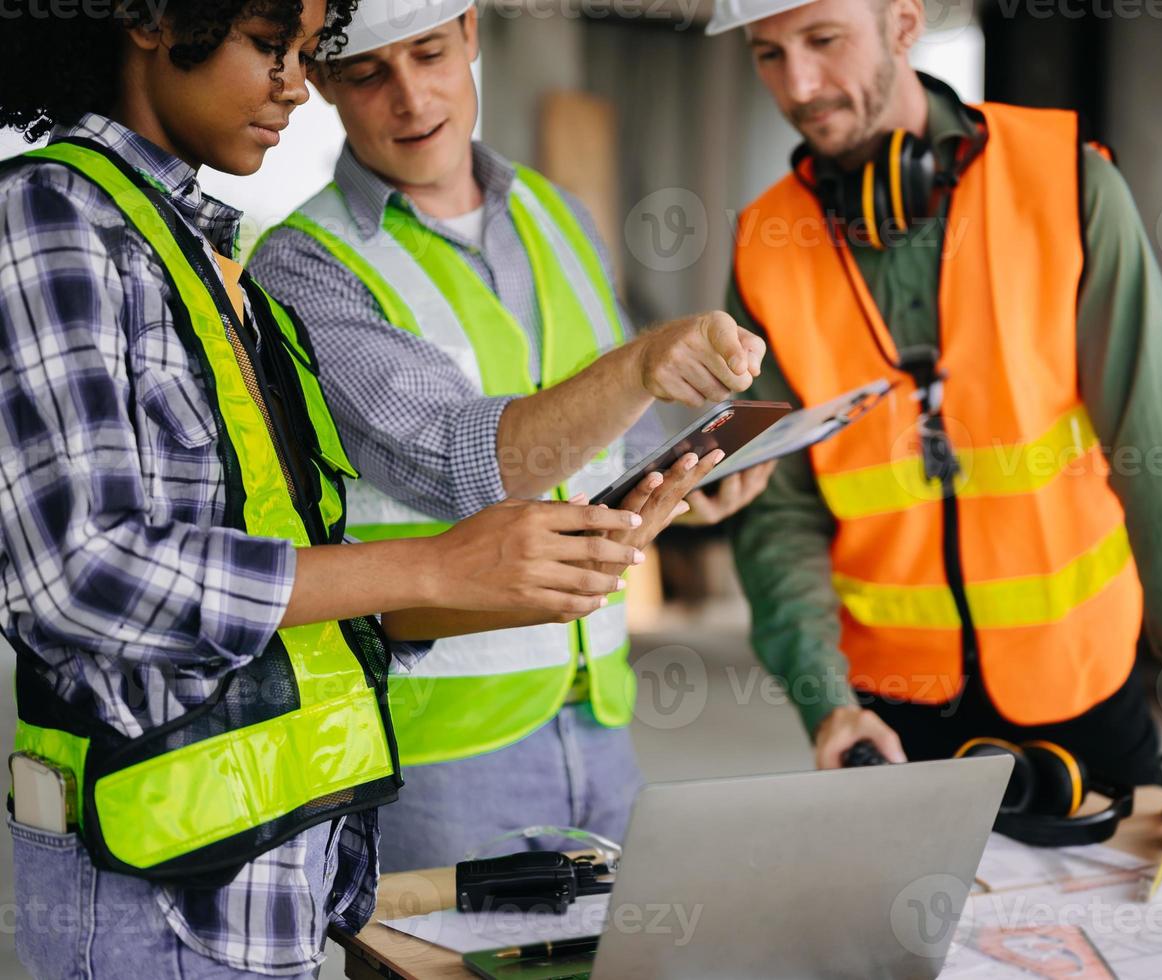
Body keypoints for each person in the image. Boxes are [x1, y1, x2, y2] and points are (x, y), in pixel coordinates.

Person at [0, 3, 705, 976]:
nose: (295, 85)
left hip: (266, 848)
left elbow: (277, 567)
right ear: (160, 19)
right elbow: (78, 571)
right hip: (158, 872)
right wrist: (438, 559)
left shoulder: (194, 246)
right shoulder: (54, 212)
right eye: (270, 48)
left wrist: (510, 569)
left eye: (301, 55)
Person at [717, 0, 1162, 844]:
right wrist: (828, 703)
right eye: (768, 53)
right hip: (890, 721)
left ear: (902, 23)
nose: (800, 85)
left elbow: (1159, 453)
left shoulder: (1069, 189)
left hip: (1085, 691)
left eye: (823, 41)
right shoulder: (766, 250)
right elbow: (778, 512)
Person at [248, 0, 774, 872]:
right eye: (370, 73)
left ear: (472, 37)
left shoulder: (558, 215)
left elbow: (586, 439)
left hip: (599, 707)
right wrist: (641, 363)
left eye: (427, 53)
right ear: (327, 84)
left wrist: (672, 482)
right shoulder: (305, 263)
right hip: (442, 745)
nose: (412, 98)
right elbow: (472, 466)